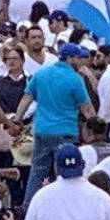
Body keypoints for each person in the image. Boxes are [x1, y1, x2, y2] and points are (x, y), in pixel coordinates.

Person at [18, 44, 94, 209]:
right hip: (65, 132)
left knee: (37, 171)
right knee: (65, 171)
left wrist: (17, 119)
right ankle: (64, 206)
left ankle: (27, 207)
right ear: (70, 58)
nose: (82, 61)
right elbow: (86, 108)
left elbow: (26, 98)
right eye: (79, 58)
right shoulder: (75, 79)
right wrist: (96, 126)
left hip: (42, 131)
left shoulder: (41, 74)